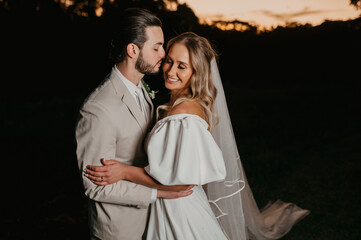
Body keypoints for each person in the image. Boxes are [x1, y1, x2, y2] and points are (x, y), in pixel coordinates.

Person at [86, 32, 310, 240]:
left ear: (196, 73)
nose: (171, 71)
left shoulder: (184, 117)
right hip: (170, 207)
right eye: (169, 61)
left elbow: (182, 186)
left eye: (182, 66)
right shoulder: (180, 106)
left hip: (179, 213)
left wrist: (125, 171)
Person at [75, 8, 192, 240]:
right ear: (132, 50)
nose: (163, 53)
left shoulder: (143, 89)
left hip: (154, 221)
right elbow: (95, 185)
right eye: (156, 47)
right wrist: (158, 193)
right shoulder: (98, 108)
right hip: (121, 230)